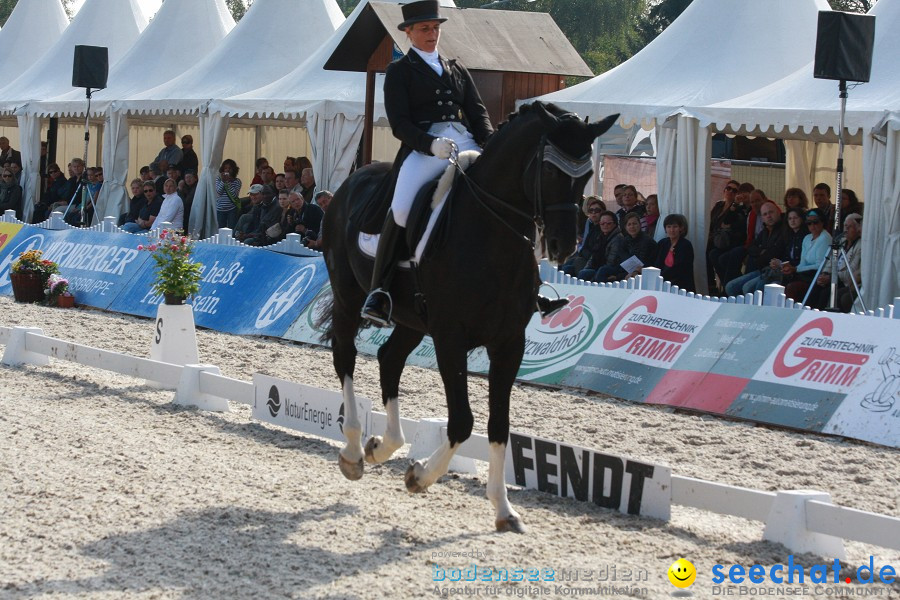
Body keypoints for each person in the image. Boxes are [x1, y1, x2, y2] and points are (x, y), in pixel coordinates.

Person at [360, 0, 494, 326]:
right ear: (409, 32)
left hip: (466, 143)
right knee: (403, 207)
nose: (432, 33)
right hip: (425, 150)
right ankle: (380, 292)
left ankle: (528, 283)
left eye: (435, 28)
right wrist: (429, 143)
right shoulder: (399, 72)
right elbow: (399, 124)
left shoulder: (457, 69)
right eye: (424, 29)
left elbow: (478, 114)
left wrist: (491, 146)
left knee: (501, 191)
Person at [724, 201, 786, 296]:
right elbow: (751, 247)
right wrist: (761, 251)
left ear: (778, 212)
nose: (768, 216)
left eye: (771, 212)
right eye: (765, 214)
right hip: (762, 270)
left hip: (775, 272)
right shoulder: (764, 232)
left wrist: (760, 254)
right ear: (762, 219)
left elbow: (774, 254)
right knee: (730, 287)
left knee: (748, 288)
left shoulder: (784, 230)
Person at [805, 213, 862, 312]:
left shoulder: (860, 245)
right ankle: (807, 314)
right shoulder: (841, 241)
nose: (846, 230)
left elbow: (851, 270)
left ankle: (822, 317)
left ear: (858, 229)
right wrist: (825, 274)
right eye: (845, 226)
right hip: (832, 277)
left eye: (850, 227)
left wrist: (832, 277)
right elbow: (830, 261)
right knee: (814, 287)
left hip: (844, 281)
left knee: (827, 293)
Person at [782, 208, 832, 302]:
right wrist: (791, 268)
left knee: (792, 288)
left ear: (822, 222)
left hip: (816, 278)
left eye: (815, 222)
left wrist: (796, 269)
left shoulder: (825, 238)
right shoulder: (807, 238)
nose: (812, 225)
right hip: (804, 275)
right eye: (809, 223)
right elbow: (802, 263)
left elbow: (820, 265)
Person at [591, 211, 655, 282]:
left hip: (641, 273)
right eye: (629, 224)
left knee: (603, 271)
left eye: (634, 224)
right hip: (625, 271)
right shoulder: (625, 240)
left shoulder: (646, 241)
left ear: (640, 225)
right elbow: (620, 262)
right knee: (597, 271)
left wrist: (618, 277)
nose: (632, 227)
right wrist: (618, 276)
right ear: (625, 227)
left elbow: (643, 264)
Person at [560, 198, 605, 277]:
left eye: (597, 210)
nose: (594, 213)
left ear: (603, 212)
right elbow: (585, 246)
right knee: (563, 268)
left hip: (595, 262)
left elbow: (597, 252)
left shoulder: (603, 228)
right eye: (591, 211)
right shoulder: (592, 227)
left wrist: (583, 254)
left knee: (580, 270)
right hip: (584, 257)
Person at [575, 210, 620, 281]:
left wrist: (594, 276)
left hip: (608, 270)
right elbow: (592, 257)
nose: (605, 225)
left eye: (608, 223)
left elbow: (611, 262)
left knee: (584, 274)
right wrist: (586, 268)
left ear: (615, 224)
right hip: (597, 267)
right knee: (574, 268)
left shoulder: (617, 238)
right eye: (602, 223)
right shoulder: (600, 237)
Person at [654, 213, 695, 292]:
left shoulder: (686, 245)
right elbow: (657, 263)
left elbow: (679, 269)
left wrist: (660, 277)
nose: (672, 230)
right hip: (661, 283)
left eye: (675, 227)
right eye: (669, 227)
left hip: (680, 286)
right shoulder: (662, 243)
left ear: (681, 228)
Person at [215, 159, 242, 230]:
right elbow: (218, 192)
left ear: (234, 169)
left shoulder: (237, 181)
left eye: (230, 168)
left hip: (232, 209)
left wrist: (228, 183)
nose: (227, 170)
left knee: (231, 229)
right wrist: (223, 181)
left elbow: (234, 195)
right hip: (220, 208)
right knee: (221, 229)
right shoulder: (218, 179)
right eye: (226, 168)